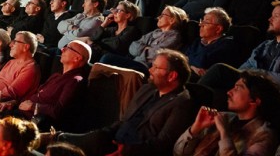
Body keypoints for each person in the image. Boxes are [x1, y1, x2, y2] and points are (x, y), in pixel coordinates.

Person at [49, 49, 196, 156]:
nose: (150, 70)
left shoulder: (182, 103)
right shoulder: (147, 89)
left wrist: (125, 151)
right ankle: (54, 137)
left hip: (132, 151)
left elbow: (163, 144)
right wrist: (103, 134)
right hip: (113, 139)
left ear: (172, 76)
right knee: (60, 145)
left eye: (156, 67)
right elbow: (124, 121)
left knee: (62, 149)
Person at [200, 1, 280, 95]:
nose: (270, 19)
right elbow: (244, 68)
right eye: (271, 16)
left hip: (269, 94)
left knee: (219, 70)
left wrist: (259, 74)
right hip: (248, 86)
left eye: (276, 16)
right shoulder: (265, 45)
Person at [173, 71, 280, 156]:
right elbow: (178, 152)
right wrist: (195, 129)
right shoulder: (224, 116)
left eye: (238, 88)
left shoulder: (264, 136)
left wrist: (224, 133)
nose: (229, 92)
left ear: (254, 100)